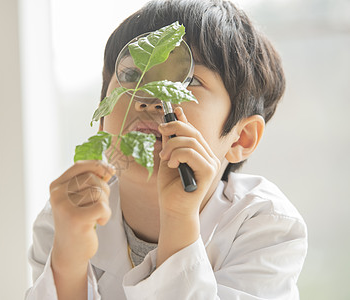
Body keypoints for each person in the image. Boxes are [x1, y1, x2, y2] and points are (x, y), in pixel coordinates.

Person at [25, 0, 307, 299]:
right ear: (103, 117)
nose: (150, 98)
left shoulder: (265, 226)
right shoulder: (68, 214)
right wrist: (67, 262)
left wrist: (178, 218)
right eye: (132, 76)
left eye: (188, 80)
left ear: (241, 138)